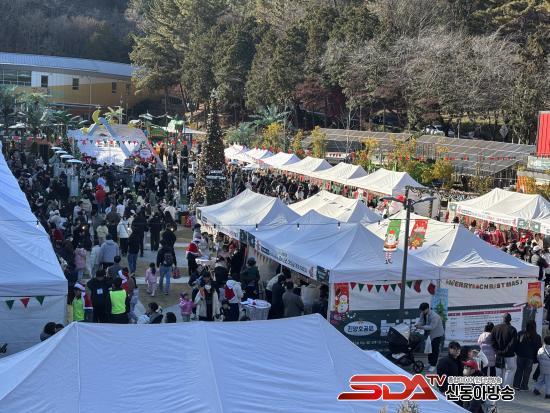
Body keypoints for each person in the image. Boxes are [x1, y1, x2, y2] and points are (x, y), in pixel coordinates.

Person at [415, 302, 445, 373]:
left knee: (434, 349)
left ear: (427, 308)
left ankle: (433, 365)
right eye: (421, 310)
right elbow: (421, 321)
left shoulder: (434, 316)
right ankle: (429, 362)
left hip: (437, 334)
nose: (422, 312)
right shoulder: (422, 313)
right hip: (428, 334)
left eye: (423, 310)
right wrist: (417, 324)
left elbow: (431, 327)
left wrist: (421, 327)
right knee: (429, 348)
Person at [513, 320, 542, 390]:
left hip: (520, 356)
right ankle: (524, 386)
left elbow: (515, 344)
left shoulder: (521, 333)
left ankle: (516, 385)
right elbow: (539, 348)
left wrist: (517, 352)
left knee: (519, 370)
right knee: (527, 372)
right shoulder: (537, 336)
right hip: (530, 357)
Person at [491, 313, 518, 387]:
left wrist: (498, 351)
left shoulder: (495, 328)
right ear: (510, 320)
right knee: (510, 370)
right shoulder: (513, 329)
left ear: (502, 319)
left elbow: (492, 341)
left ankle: (498, 386)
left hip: (498, 354)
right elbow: (513, 343)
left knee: (499, 370)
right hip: (509, 355)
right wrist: (505, 351)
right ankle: (505, 386)